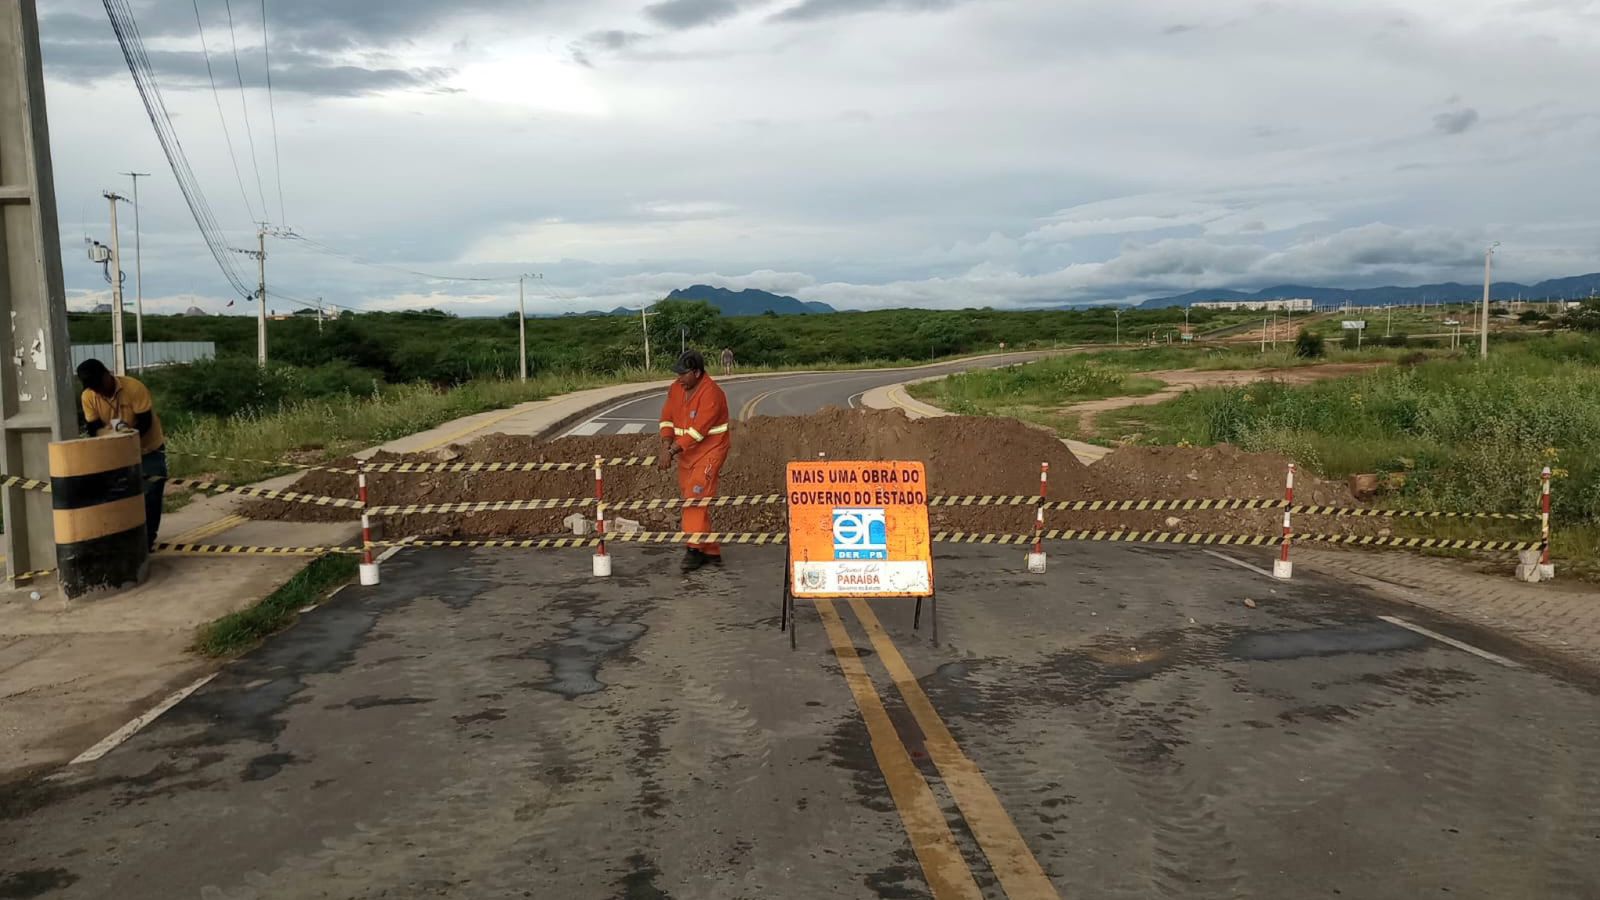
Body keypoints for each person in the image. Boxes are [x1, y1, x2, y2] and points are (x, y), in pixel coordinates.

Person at [77, 359, 166, 551]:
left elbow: (145, 422)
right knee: (118, 496)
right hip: (114, 454)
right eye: (93, 388)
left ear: (107, 374)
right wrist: (108, 435)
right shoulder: (88, 396)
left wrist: (127, 436)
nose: (98, 391)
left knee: (151, 492)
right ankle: (123, 538)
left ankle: (146, 541)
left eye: (99, 385)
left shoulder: (134, 387)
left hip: (147, 448)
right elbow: (93, 428)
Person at [657, 350, 731, 572]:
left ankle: (694, 549)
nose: (679, 378)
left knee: (694, 497)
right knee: (691, 498)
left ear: (697, 373)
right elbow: (666, 418)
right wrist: (665, 444)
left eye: (683, 374)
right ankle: (710, 550)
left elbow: (698, 431)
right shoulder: (676, 388)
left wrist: (670, 451)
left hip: (710, 452)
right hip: (686, 454)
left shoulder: (712, 394)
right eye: (678, 374)